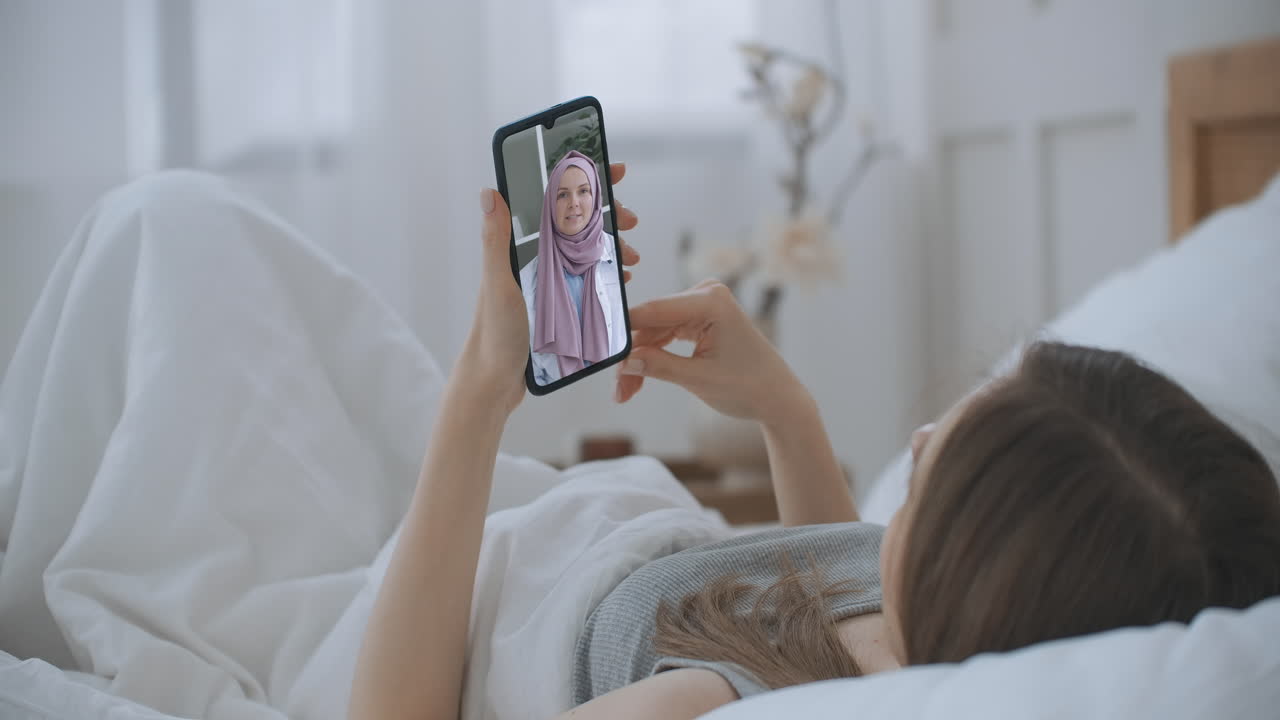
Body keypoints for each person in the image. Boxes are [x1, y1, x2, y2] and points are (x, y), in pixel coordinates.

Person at [348, 188, 1280, 720]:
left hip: (441, 611)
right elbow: (837, 584)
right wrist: (783, 412)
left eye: (924, 479)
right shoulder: (921, 613)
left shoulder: (709, 705)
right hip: (563, 533)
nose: (915, 440)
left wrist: (477, 399)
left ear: (976, 576)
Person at [519, 150, 627, 385]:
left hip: (618, 385)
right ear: (550, 204)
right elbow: (533, 371)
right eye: (562, 195)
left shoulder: (619, 254)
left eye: (583, 191)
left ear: (596, 196)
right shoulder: (526, 281)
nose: (574, 203)